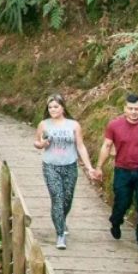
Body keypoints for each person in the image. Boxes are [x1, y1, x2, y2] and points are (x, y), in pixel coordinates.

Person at [93, 93, 138, 257]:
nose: (133, 112)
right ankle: (116, 221)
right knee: (122, 203)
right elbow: (107, 145)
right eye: (130, 109)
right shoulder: (114, 125)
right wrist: (99, 167)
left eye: (137, 109)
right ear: (124, 108)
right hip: (122, 171)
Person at [33, 94, 97, 250]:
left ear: (63, 107)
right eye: (50, 107)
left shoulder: (73, 125)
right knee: (57, 198)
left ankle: (61, 219)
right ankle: (60, 234)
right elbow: (37, 142)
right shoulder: (44, 124)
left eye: (56, 106)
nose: (53, 110)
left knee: (67, 199)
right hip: (51, 166)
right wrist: (42, 143)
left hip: (70, 166)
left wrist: (89, 167)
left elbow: (80, 146)